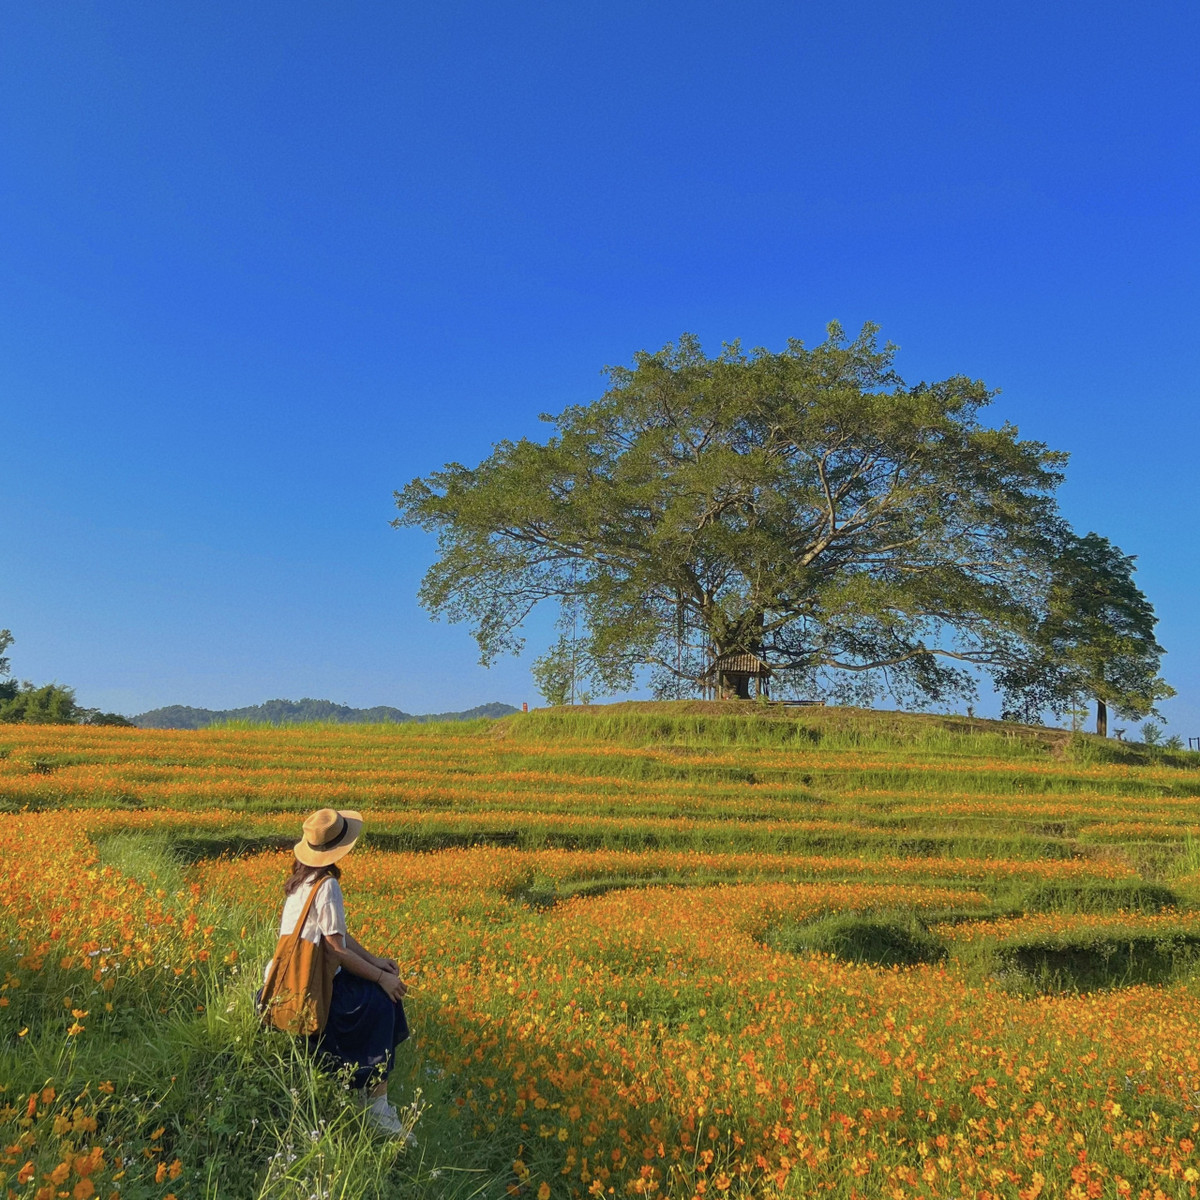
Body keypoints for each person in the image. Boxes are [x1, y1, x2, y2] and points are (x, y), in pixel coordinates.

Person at [272, 807, 409, 1133]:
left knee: (378, 990)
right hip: (313, 987)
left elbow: (338, 936)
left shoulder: (301, 881)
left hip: (290, 982)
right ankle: (377, 1106)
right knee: (382, 1002)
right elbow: (337, 949)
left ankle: (367, 1093)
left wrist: (376, 961)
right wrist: (381, 977)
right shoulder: (327, 885)